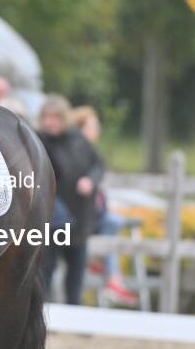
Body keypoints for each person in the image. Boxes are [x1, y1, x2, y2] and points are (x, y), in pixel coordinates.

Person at [38, 95, 104, 305]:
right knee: (45, 268)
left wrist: (90, 180)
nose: (50, 122)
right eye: (47, 117)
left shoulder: (78, 140)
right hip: (50, 219)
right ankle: (43, 311)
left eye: (55, 117)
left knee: (76, 268)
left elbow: (98, 165)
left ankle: (75, 310)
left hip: (79, 215)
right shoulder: (37, 141)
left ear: (64, 118)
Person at [71, 106, 138, 306]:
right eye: (92, 127)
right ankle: (111, 277)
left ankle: (101, 265)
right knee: (112, 221)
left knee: (113, 220)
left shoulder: (91, 153)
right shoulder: (76, 153)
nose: (96, 131)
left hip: (92, 215)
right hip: (79, 218)